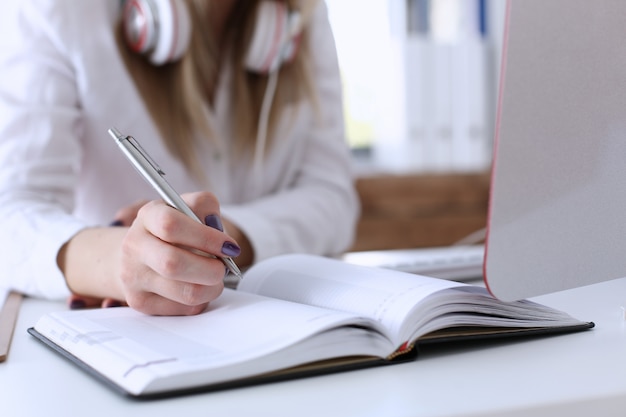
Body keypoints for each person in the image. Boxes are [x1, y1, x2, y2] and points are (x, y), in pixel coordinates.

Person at [0, 0, 359, 315]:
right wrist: (118, 261)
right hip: (119, 328)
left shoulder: (301, 16)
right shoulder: (57, 9)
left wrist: (221, 235)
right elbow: (11, 211)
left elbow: (332, 197)